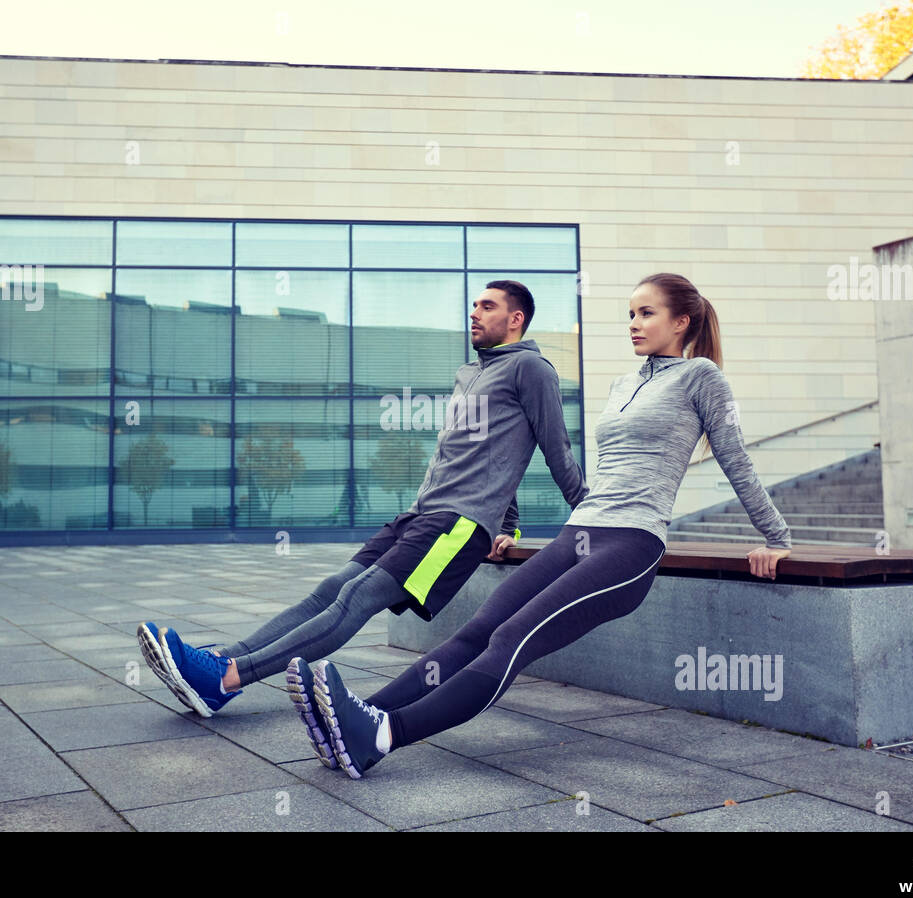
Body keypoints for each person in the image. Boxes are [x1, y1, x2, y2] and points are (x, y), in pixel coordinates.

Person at [304, 272, 794, 778]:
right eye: (630, 313)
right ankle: (358, 715)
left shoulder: (702, 378)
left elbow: (737, 459)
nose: (633, 324)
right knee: (478, 630)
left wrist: (776, 538)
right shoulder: (623, 383)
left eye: (646, 313)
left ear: (682, 321)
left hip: (632, 542)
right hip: (580, 531)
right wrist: (510, 526)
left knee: (511, 638)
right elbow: (528, 456)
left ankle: (382, 736)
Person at [137, 280, 589, 769]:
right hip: (420, 514)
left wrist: (590, 516)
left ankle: (227, 678)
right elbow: (496, 454)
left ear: (517, 319)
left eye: (488, 306)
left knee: (358, 598)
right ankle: (220, 660)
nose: (475, 313)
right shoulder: (471, 374)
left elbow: (553, 445)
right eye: (474, 304)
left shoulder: (531, 367)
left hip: (457, 525)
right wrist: (513, 522)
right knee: (330, 588)